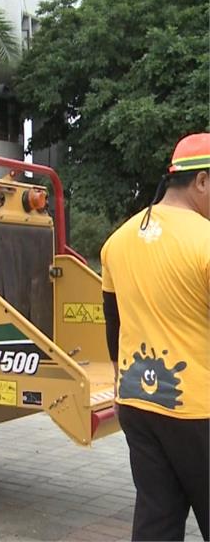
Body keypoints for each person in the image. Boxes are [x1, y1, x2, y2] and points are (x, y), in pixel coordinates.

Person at [101, 132, 210, 541]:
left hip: (137, 403)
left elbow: (113, 324)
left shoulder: (117, 242)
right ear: (200, 182)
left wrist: (119, 380)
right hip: (199, 411)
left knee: (156, 520)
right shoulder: (206, 241)